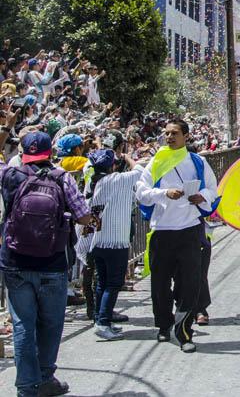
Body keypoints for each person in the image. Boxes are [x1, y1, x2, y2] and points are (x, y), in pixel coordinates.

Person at [1, 132, 97, 397]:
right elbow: (83, 216)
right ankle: (45, 377)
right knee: (51, 323)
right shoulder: (62, 178)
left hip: (15, 262)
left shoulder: (9, 175)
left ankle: (26, 387)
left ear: (22, 152)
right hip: (52, 263)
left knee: (22, 325)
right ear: (50, 153)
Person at [135, 120, 218, 352]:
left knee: (189, 284)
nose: (169, 137)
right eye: (167, 133)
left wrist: (202, 195)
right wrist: (164, 193)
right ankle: (164, 325)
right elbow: (142, 192)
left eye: (175, 133)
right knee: (160, 285)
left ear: (186, 136)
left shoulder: (197, 161)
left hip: (190, 230)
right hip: (162, 232)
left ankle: (184, 332)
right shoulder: (156, 161)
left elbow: (213, 189)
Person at [84, 148, 142, 341]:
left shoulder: (95, 182)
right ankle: (103, 323)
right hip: (115, 241)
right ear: (113, 165)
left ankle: (101, 319)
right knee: (113, 283)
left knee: (102, 282)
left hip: (98, 241)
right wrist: (128, 158)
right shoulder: (117, 179)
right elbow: (141, 171)